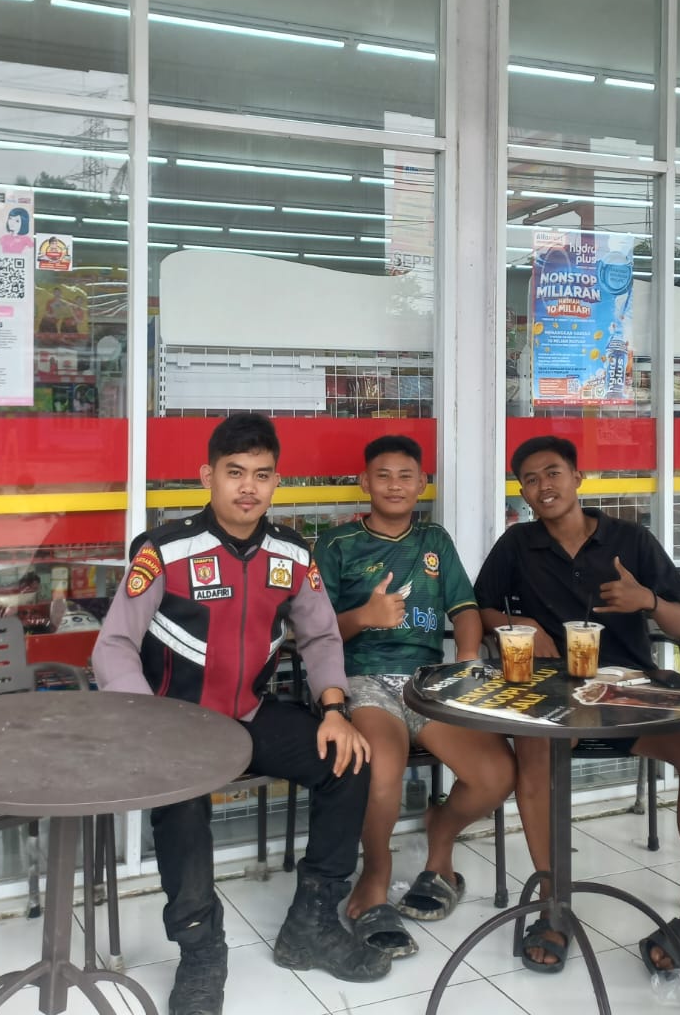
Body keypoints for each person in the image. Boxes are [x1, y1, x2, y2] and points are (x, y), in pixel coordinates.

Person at [92, 413, 390, 1015]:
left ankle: (312, 923)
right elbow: (114, 646)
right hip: (175, 723)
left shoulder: (293, 553)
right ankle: (201, 951)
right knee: (181, 799)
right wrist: (151, 725)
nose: (248, 487)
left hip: (249, 715)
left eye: (261, 474)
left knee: (349, 760)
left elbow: (321, 637)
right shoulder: (164, 550)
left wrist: (335, 710)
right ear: (208, 477)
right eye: (235, 473)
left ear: (276, 481)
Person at [474, 434, 680, 979]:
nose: (543, 486)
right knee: (532, 749)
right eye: (530, 479)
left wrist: (646, 601)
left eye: (553, 472)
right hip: (553, 692)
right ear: (522, 493)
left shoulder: (631, 539)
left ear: (578, 478)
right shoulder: (517, 545)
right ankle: (554, 907)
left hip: (630, 689)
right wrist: (518, 623)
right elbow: (482, 605)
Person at [312, 435, 515, 959]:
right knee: (382, 772)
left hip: (427, 681)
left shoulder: (434, 540)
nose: (394, 485)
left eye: (406, 476)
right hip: (363, 681)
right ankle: (375, 877)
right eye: (383, 475)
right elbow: (313, 631)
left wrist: (465, 660)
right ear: (364, 482)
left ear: (422, 484)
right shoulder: (336, 544)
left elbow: (464, 609)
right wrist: (364, 617)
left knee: (496, 774)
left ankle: (440, 841)